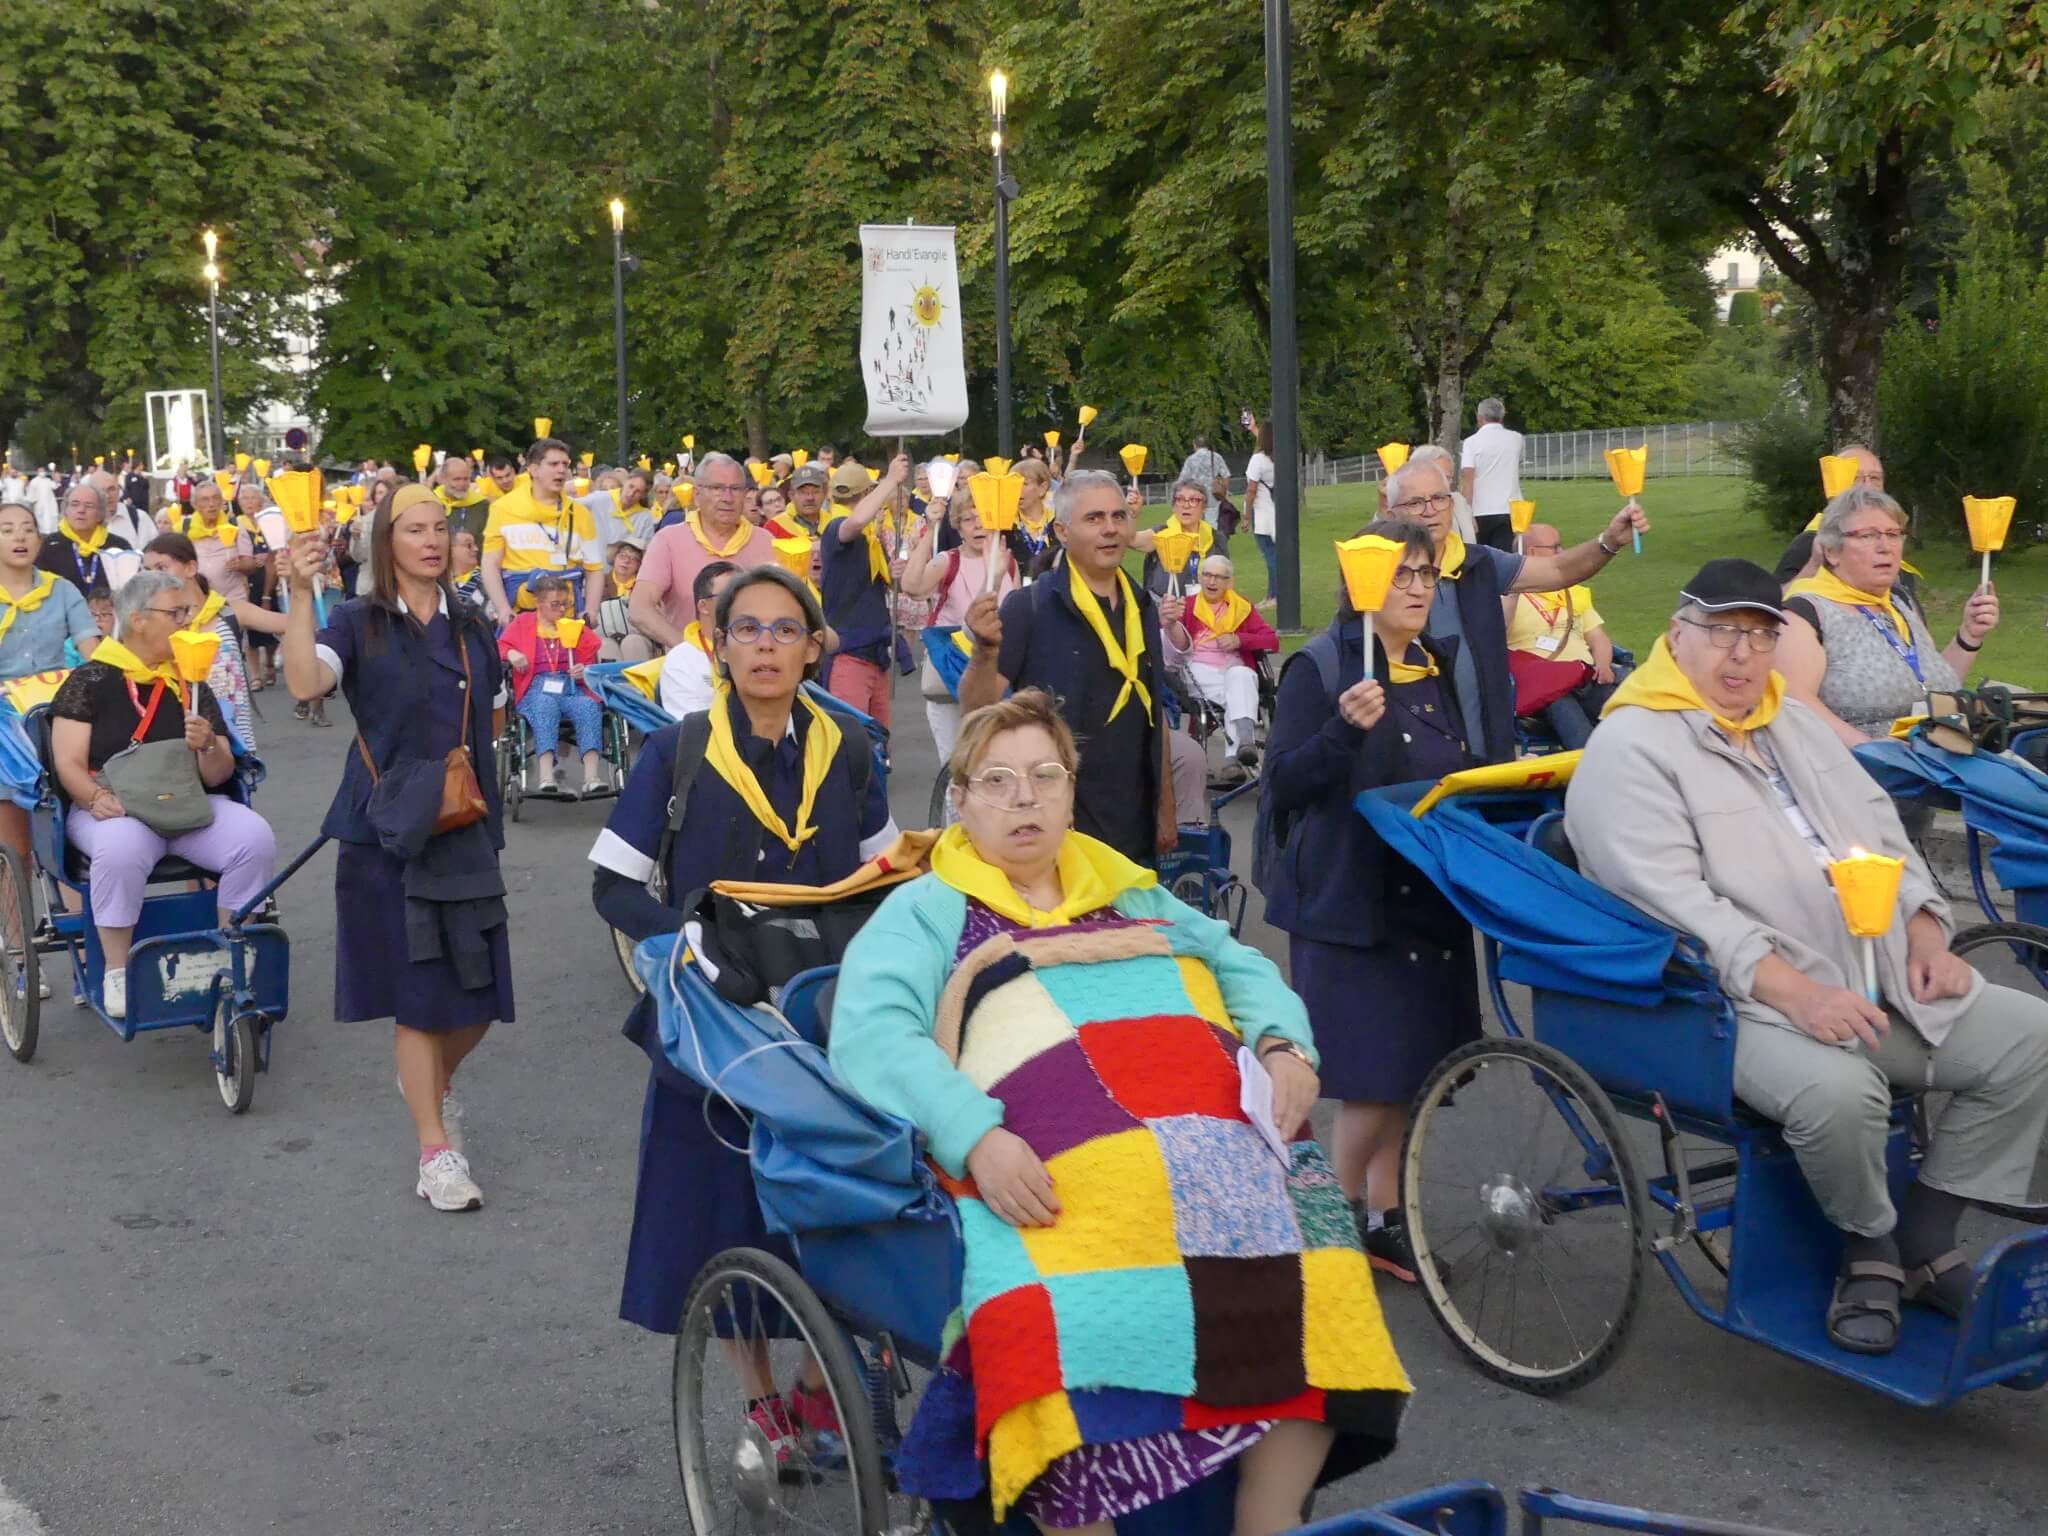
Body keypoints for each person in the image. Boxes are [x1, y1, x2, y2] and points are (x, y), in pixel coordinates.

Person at [831, 689, 1408, 1535]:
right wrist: (974, 1136)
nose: (1024, 798)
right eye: (997, 781)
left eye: (1045, 776)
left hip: (1212, 1140)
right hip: (1053, 1158)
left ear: (1071, 793)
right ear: (960, 801)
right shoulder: (925, 911)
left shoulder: (1130, 891)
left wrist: (1285, 1046)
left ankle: (1269, 1509)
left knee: (1319, 1257)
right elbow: (873, 1034)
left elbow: (1239, 965)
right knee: (1059, 1310)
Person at [1566, 558, 2048, 1355]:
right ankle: (1869, 1245)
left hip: (1875, 972)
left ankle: (1926, 1236)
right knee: (1842, 1092)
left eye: (1761, 636)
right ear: (1677, 636)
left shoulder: (1791, 721)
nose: (1742, 654)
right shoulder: (1630, 746)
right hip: (1731, 1003)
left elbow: (1884, 840)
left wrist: (1925, 933)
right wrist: (1796, 992)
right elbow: (1675, 910)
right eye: (1722, 632)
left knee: (2031, 1039)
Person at [589, 567, 896, 1457]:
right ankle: (762, 1400)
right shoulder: (678, 750)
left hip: (822, 1011)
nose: (767, 644)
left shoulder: (847, 750)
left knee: (847, 1203)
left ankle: (819, 1389)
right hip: (716, 1015)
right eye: (748, 629)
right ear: (718, 647)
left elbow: (887, 877)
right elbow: (613, 884)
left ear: (813, 649)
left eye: (785, 629)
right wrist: (682, 942)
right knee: (718, 1212)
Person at [281, 483, 513, 1213]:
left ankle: (429, 1086)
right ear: (386, 542)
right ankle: (436, 1152)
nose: (432, 540)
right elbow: (304, 681)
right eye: (415, 529)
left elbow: (492, 722)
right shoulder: (357, 620)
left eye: (441, 527)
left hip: (462, 822)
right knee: (418, 1000)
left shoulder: (471, 623)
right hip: (386, 828)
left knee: (480, 997)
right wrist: (299, 593)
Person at [1260, 519, 1479, 1280]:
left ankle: (1386, 1219)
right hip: (1351, 902)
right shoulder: (1321, 667)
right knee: (1374, 1082)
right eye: (1400, 575)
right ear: (1364, 585)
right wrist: (1342, 733)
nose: (1417, 589)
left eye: (1427, 575)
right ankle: (1331, 1223)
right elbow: (1284, 783)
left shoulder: (1438, 662)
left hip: (1430, 898)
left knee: (1413, 1078)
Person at [49, 571, 278, 1022]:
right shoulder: (89, 679)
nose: (187, 621)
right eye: (176, 613)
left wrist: (209, 744)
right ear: (138, 620)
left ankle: (230, 950)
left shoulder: (192, 683)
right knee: (120, 847)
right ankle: (117, 969)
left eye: (187, 612)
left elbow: (219, 775)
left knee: (253, 838)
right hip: (114, 806)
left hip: (187, 803)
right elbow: (68, 762)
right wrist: (93, 798)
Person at [960, 470, 1186, 864]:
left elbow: (1154, 711)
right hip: (1056, 825)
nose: (1110, 529)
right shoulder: (1029, 607)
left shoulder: (1142, 605)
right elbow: (976, 709)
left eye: (1118, 516)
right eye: (1094, 518)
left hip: (1134, 823)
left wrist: (1165, 806)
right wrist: (983, 652)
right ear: (1062, 531)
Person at [1380, 458, 1645, 768]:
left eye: (1438, 498)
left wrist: (1608, 541)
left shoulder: (1479, 562)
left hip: (1488, 745)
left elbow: (1557, 570)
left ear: (1451, 504)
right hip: (1415, 752)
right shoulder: (1377, 574)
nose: (1430, 510)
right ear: (1391, 513)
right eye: (1415, 502)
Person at [1776, 487, 1996, 749]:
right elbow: (1795, 703)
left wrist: (1969, 635)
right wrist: (1878, 753)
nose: (1885, 547)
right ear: (1831, 551)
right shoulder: (1805, 614)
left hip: (1940, 756)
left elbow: (1936, 688)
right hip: (1861, 766)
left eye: (1893, 534)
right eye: (1868, 536)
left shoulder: (1899, 604)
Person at [0, 502, 100, 868]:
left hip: (56, 711)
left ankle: (73, 899)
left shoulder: (62, 590)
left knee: (68, 837)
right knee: (14, 844)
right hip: (4, 719)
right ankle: (14, 899)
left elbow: (93, 653)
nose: (20, 536)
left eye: (28, 528)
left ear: (39, 541)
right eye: (7, 530)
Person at [900, 488, 1021, 765]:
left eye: (983, 518)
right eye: (968, 519)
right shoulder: (949, 560)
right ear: (958, 527)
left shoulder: (1008, 561)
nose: (977, 525)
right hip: (951, 667)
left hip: (996, 669)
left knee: (995, 757)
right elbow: (912, 587)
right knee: (956, 761)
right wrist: (931, 529)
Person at [140, 533, 285, 748]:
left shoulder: (228, 612)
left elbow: (293, 625)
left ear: (190, 568)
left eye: (161, 568)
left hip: (238, 743)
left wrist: (299, 586)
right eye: (147, 571)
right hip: (186, 742)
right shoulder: (156, 625)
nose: (153, 578)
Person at [631, 454, 777, 662]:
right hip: (690, 670)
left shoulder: (766, 541)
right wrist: (692, 652)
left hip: (757, 666)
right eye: (717, 488)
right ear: (697, 494)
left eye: (735, 489)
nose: (727, 497)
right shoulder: (668, 540)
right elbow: (639, 609)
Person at [1503, 523, 1622, 750]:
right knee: (1572, 722)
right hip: (1545, 686)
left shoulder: (1572, 591)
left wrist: (1604, 665)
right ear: (1533, 552)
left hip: (1586, 676)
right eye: (1556, 547)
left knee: (1627, 713)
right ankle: (1586, 763)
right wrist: (1512, 593)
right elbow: (1495, 636)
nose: (1563, 552)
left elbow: (1598, 637)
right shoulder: (1508, 596)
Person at [499, 574, 607, 798]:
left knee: (588, 706)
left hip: (570, 686)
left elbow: (592, 658)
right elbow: (499, 645)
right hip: (536, 687)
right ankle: (546, 776)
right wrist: (512, 653)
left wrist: (584, 669)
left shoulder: (572, 626)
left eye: (565, 604)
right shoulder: (523, 623)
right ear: (539, 602)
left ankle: (592, 778)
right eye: (555, 604)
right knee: (545, 705)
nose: (562, 609)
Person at [479, 436, 604, 626]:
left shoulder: (580, 513)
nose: (561, 470)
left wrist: (591, 610)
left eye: (565, 464)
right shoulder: (502, 509)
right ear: (533, 469)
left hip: (568, 618)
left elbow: (594, 568)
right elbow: (490, 564)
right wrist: (503, 609)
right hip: (521, 618)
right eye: (553, 464)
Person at [819, 457, 902, 733]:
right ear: (868, 492)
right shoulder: (835, 526)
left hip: (874, 655)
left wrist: (893, 573)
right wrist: (891, 480)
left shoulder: (868, 539)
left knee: (878, 740)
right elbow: (854, 522)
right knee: (852, 740)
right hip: (849, 655)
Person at [1183, 554, 1278, 772]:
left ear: (1229, 582)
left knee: (1241, 675)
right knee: (1237, 694)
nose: (1211, 581)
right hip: (1198, 670)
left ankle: (1242, 746)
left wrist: (1240, 640)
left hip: (1233, 670)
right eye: (1207, 575)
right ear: (1200, 578)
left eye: (1218, 577)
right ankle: (1236, 754)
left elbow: (1272, 641)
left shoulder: (1241, 607)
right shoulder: (1187, 606)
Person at [1773, 445, 1884, 584]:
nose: (1867, 485)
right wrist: (1813, 566)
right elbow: (1778, 596)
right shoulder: (1811, 543)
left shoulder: (1888, 538)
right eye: (1856, 477)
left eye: (1875, 478)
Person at [656, 560, 737, 719]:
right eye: (728, 596)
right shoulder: (681, 659)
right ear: (703, 606)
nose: (740, 602)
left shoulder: (760, 648)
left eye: (744, 594)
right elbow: (691, 727)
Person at [38, 481, 132, 598]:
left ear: (100, 514)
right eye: (75, 504)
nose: (81, 510)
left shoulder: (118, 546)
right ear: (66, 511)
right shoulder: (50, 545)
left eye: (89, 506)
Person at [1458, 397, 1524, 552]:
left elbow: (1468, 480)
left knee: (1482, 557)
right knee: (1506, 557)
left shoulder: (1471, 442)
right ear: (1502, 417)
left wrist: (1466, 513)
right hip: (1510, 509)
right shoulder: (1516, 438)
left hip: (1481, 510)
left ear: (1479, 418)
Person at [183, 479, 263, 606]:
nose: (211, 504)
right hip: (200, 601)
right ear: (195, 505)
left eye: (215, 498)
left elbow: (250, 564)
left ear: (221, 502)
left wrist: (240, 565)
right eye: (205, 500)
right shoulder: (186, 527)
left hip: (233, 600)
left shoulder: (234, 525)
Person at [1131, 478, 1217, 595]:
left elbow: (1226, 580)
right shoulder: (1162, 534)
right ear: (1173, 506)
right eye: (1180, 499)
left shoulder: (1215, 538)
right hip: (1162, 604)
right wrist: (1133, 514)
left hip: (1202, 604)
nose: (1186, 505)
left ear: (1204, 507)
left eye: (1194, 500)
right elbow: (1132, 540)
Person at [1244, 417, 1278, 607]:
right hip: (1278, 512)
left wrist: (1246, 515)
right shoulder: (1280, 457)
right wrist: (1253, 428)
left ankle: (1274, 595)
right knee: (1277, 554)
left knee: (1270, 555)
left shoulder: (1258, 460)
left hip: (1262, 513)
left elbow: (1251, 490)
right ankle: (1277, 593)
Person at [433, 453, 492, 546]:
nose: (462, 484)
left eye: (466, 479)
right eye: (457, 479)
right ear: (443, 479)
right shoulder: (432, 503)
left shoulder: (482, 505)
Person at [1176, 435, 1230, 522]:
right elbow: (1226, 475)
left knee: (1196, 523)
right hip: (1213, 495)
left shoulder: (1190, 459)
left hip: (1195, 496)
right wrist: (1225, 492)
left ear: (1195, 445)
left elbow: (1182, 480)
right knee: (1212, 522)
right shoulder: (1216, 457)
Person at [775, 462, 829, 538]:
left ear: (824, 494)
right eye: (803, 492)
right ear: (791, 496)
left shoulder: (834, 524)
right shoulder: (775, 527)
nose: (810, 498)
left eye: (815, 492)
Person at [450, 528, 486, 610]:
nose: (476, 549)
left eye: (475, 544)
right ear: (450, 549)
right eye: (469, 545)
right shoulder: (439, 584)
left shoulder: (488, 580)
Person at [25, 466, 59, 536]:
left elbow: (55, 486)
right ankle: (42, 534)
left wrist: (55, 479)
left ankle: (51, 533)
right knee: (41, 521)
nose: (42, 472)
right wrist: (32, 501)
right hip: (39, 504)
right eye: (40, 471)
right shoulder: (34, 481)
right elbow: (31, 493)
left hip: (49, 504)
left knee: (50, 520)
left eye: (43, 471)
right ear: (37, 472)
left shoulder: (47, 480)